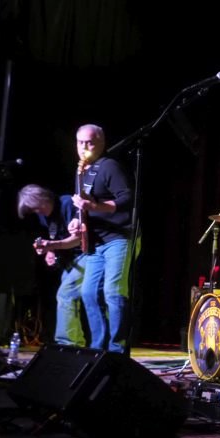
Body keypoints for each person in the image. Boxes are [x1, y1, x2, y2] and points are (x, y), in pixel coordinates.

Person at [69, 124, 135, 354]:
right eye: (80, 142)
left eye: (90, 142)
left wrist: (96, 206)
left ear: (101, 143)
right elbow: (84, 206)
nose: (84, 147)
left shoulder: (109, 166)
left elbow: (127, 198)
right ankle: (98, 348)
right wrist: (77, 220)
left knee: (113, 292)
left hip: (118, 238)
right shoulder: (81, 171)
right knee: (88, 293)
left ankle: (117, 349)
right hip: (96, 242)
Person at [17, 185, 84, 346]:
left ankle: (68, 344)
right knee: (66, 297)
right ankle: (72, 342)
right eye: (33, 210)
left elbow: (79, 238)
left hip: (87, 255)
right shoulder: (44, 216)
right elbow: (55, 237)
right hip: (71, 260)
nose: (37, 212)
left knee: (65, 295)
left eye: (36, 208)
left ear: (42, 199)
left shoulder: (67, 204)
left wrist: (53, 245)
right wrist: (50, 251)